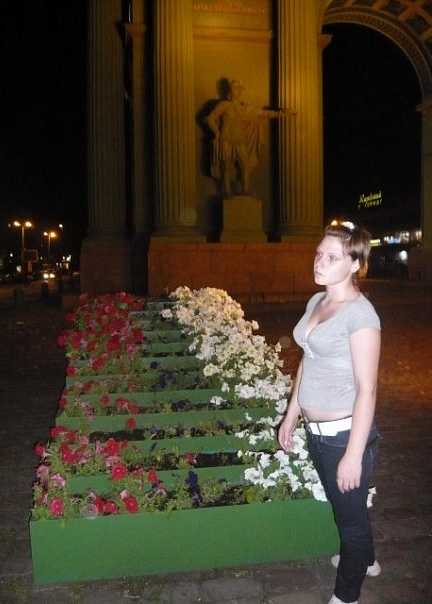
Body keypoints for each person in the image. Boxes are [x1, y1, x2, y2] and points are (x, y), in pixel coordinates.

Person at [278, 223, 381, 604]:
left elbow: (368, 390)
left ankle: (347, 595)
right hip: (316, 432)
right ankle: (366, 559)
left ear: (354, 264)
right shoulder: (317, 302)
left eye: (331, 257)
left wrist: (353, 455)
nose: (319, 262)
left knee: (349, 521)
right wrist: (292, 414)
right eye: (319, 254)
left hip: (344, 435)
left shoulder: (361, 316)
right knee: (346, 508)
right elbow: (308, 359)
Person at [206, 79, 294, 196]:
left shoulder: (246, 109)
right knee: (226, 166)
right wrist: (217, 132)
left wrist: (280, 114)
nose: (237, 90)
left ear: (241, 91)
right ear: (230, 91)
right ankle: (227, 193)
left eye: (239, 88)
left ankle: (245, 191)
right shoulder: (224, 105)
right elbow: (210, 118)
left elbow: (263, 113)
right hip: (226, 138)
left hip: (239, 139)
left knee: (245, 164)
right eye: (234, 88)